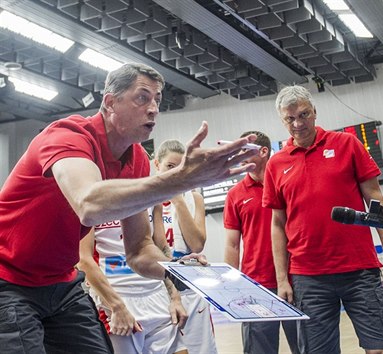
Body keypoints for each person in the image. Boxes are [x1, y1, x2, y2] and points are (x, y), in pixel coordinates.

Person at [0, 62, 257, 353]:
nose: (153, 108)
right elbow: (89, 204)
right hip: (8, 280)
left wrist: (176, 271)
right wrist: (180, 180)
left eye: (158, 100)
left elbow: (138, 250)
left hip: (61, 283)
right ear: (110, 102)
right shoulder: (67, 135)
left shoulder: (137, 160)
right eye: (142, 97)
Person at [262, 85, 383, 354]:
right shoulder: (276, 164)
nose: (298, 123)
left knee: (381, 349)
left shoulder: (346, 144)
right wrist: (282, 279)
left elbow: (376, 202)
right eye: (290, 119)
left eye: (304, 114)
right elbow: (277, 225)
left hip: (359, 271)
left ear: (315, 112)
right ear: (282, 120)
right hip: (308, 277)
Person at [223, 130, 299, 354]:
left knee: (306, 347)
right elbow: (232, 245)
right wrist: (232, 286)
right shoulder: (235, 195)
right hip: (255, 285)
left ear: (264, 151)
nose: (240, 156)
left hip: (296, 278)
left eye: (245, 151)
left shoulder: (286, 183)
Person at [77, 215, 187, 354]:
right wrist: (117, 306)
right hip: (117, 298)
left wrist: (175, 298)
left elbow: (161, 247)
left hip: (157, 296)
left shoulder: (152, 196)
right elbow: (83, 259)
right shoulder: (92, 198)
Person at [153, 139, 219, 354]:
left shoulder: (194, 197)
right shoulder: (144, 196)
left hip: (189, 282)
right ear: (157, 165)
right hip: (157, 283)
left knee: (199, 349)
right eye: (170, 166)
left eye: (181, 167)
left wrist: (178, 200)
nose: (175, 172)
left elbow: (197, 244)